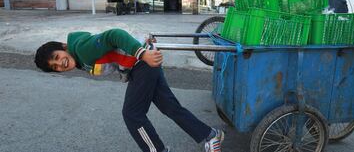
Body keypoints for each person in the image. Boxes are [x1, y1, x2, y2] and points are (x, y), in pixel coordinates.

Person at [34, 28, 224, 152]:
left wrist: (142, 53)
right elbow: (113, 52)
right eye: (55, 67)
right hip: (141, 64)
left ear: (62, 47)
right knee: (169, 107)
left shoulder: (82, 50)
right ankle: (211, 135)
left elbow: (114, 35)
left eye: (57, 57)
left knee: (132, 114)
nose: (60, 63)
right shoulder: (78, 55)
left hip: (142, 63)